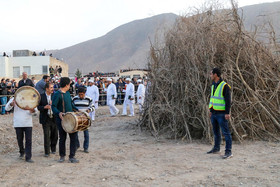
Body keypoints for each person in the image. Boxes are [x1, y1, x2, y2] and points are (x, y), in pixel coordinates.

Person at [52, 77, 79, 163]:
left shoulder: (67, 93)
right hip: (61, 119)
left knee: (73, 137)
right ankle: (62, 156)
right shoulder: (57, 94)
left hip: (70, 119)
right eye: (69, 84)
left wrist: (77, 110)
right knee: (62, 138)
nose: (70, 86)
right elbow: (53, 106)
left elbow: (71, 104)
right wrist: (58, 113)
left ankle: (72, 156)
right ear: (66, 85)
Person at [207, 68, 233, 159]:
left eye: (211, 73)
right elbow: (212, 98)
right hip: (214, 113)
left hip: (222, 114)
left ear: (215, 75)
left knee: (226, 133)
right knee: (216, 132)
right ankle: (216, 148)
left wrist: (227, 113)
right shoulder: (213, 85)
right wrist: (210, 110)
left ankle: (228, 152)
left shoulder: (224, 86)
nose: (210, 75)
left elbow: (228, 101)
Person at [6, 96, 37, 163]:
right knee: (19, 139)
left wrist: (32, 110)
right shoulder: (14, 98)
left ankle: (28, 157)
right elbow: (6, 108)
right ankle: (22, 151)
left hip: (28, 123)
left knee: (28, 140)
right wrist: (11, 104)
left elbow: (36, 112)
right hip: (18, 123)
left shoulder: (30, 99)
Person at [38, 83, 58, 157]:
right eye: (51, 87)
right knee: (46, 135)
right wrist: (44, 107)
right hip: (45, 118)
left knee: (55, 135)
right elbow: (38, 107)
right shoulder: (41, 96)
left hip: (54, 118)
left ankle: (53, 149)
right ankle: (47, 152)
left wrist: (53, 105)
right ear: (46, 88)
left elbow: (58, 106)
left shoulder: (55, 96)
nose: (52, 89)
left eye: (53, 87)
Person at [72, 87, 94, 153]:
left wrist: (89, 110)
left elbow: (93, 107)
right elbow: (72, 107)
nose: (81, 96)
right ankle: (77, 145)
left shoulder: (88, 99)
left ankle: (86, 147)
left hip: (85, 119)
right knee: (75, 133)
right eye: (79, 94)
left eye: (82, 94)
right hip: (77, 119)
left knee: (86, 134)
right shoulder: (74, 99)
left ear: (84, 93)